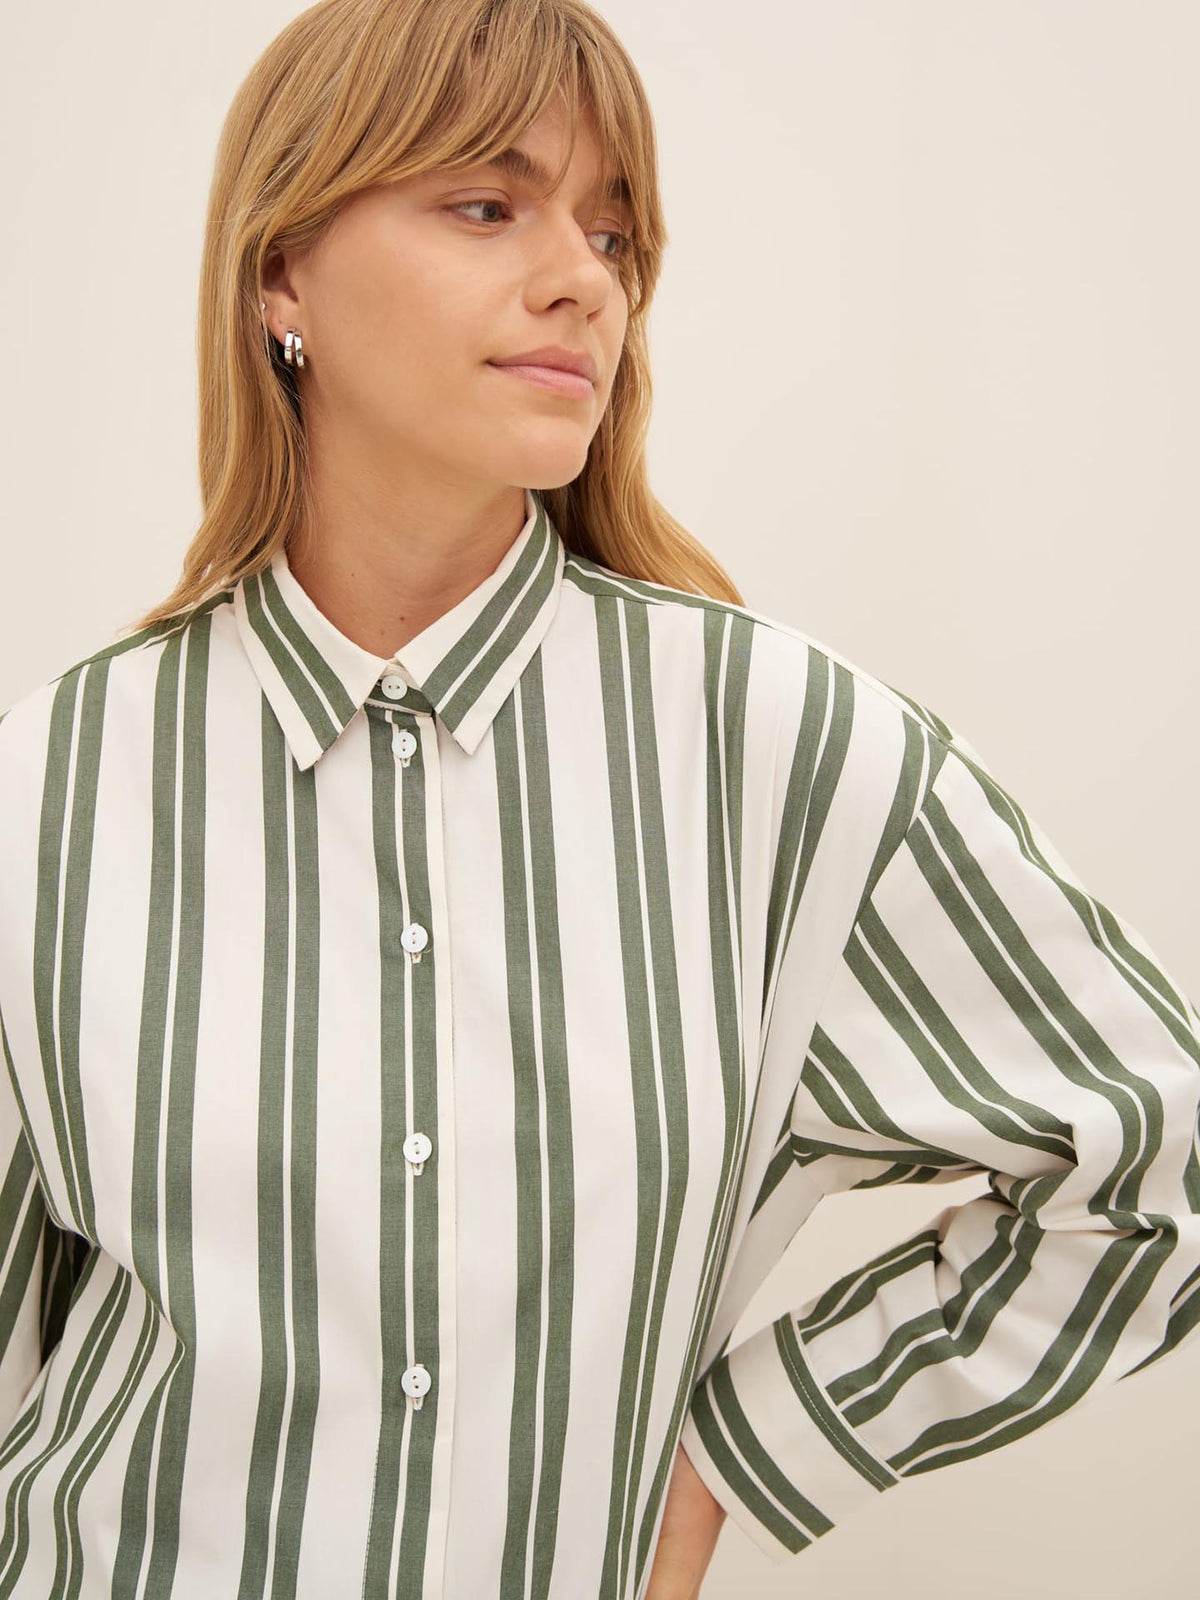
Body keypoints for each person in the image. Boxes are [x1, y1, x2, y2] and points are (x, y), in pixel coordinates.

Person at [0, 1, 1196, 1596]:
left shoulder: (779, 748)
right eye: (488, 205)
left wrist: (740, 1460)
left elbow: (1152, 1160)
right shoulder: (56, 782)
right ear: (281, 273)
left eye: (614, 230)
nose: (584, 277)